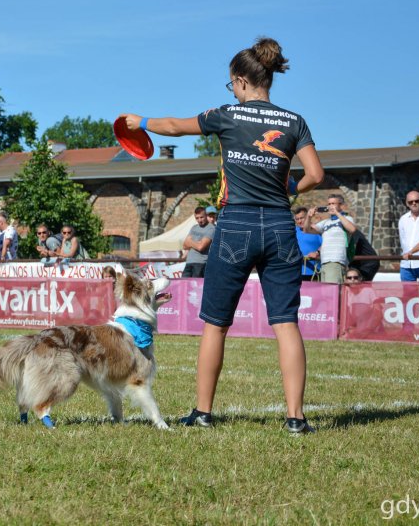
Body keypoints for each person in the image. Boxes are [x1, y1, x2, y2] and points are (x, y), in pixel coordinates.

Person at [119, 36, 324, 434]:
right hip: (281, 226)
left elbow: (176, 127)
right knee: (286, 323)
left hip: (236, 225)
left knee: (216, 323)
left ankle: (203, 413)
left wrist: (139, 122)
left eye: (231, 84)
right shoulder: (294, 121)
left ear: (240, 81)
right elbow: (316, 175)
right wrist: (288, 191)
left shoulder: (227, 114)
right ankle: (296, 418)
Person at [304, 194, 356, 284]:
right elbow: (307, 230)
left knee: (332, 293)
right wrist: (308, 217)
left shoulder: (347, 218)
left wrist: (337, 213)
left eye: (333, 203)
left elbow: (352, 229)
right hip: (324, 262)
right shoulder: (325, 222)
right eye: (329, 204)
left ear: (341, 205)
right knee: (326, 294)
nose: (330, 206)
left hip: (336, 260)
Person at [182, 207, 216, 278]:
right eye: (197, 218)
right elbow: (184, 245)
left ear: (206, 216)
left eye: (201, 217)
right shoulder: (194, 227)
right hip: (189, 262)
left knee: (196, 288)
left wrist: (190, 242)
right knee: (184, 287)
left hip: (200, 263)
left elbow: (200, 247)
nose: (199, 220)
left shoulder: (211, 228)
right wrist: (197, 243)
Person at [293, 207, 322, 281]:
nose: (299, 221)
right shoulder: (292, 232)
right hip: (296, 272)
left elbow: (326, 245)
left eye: (302, 218)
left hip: (315, 272)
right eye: (297, 219)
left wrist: (317, 253)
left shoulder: (317, 230)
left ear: (308, 217)